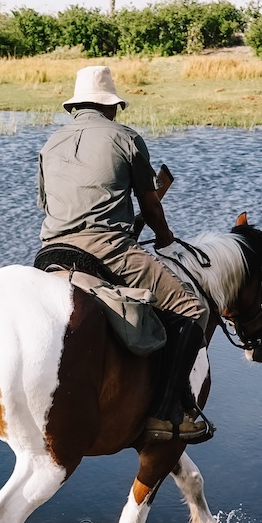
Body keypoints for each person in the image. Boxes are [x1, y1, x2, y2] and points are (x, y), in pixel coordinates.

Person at [36, 64, 214, 444]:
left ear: (75, 107)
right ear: (110, 107)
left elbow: (51, 206)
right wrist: (164, 237)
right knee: (192, 310)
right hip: (107, 249)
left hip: (51, 250)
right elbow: (150, 208)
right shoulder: (126, 138)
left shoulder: (50, 144)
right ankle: (167, 414)